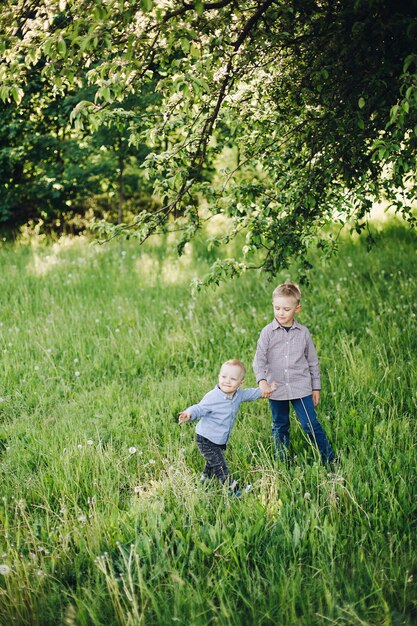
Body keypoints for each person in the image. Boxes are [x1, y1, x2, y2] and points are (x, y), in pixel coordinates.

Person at [253, 281, 334, 465]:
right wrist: (262, 381)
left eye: (286, 309)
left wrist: (316, 388)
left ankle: (328, 459)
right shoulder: (267, 333)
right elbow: (259, 360)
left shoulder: (303, 333)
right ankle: (282, 461)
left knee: (310, 424)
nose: (281, 313)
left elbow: (312, 362)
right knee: (280, 425)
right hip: (276, 388)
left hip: (301, 387)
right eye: (277, 308)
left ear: (297, 309)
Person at [178, 359, 275, 494]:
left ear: (241, 383)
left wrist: (267, 389)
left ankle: (203, 484)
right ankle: (235, 491)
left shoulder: (238, 394)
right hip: (206, 439)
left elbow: (253, 394)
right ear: (219, 377)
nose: (227, 381)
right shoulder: (213, 397)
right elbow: (199, 408)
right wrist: (189, 413)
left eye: (233, 379)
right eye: (223, 377)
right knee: (221, 467)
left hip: (219, 440)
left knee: (212, 464)